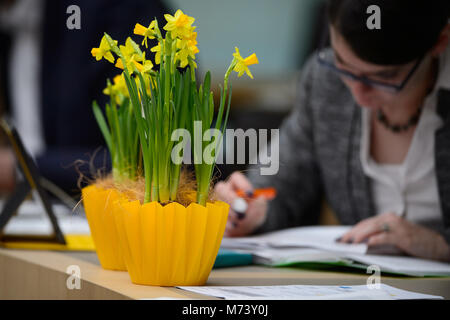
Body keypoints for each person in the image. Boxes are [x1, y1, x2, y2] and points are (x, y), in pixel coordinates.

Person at [214, 0, 450, 262]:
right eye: (342, 63)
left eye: (384, 77)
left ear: (440, 41)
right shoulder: (326, 81)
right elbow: (281, 183)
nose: (359, 96)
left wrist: (439, 245)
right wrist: (251, 210)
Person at [0, 0, 168, 195]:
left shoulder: (121, 10)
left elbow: (152, 161)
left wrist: (19, 168)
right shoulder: (10, 28)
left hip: (102, 212)